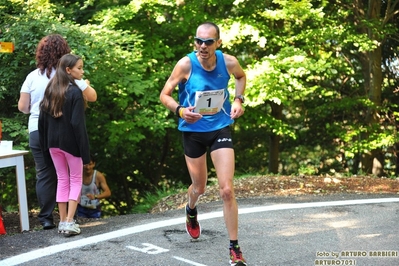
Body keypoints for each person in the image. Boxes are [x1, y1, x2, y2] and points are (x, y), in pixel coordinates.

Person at [159, 22, 247, 266]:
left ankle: (234, 248)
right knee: (199, 187)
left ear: (218, 43)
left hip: (220, 128)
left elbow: (240, 77)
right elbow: (164, 94)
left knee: (226, 189)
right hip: (193, 132)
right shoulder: (186, 64)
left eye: (209, 42)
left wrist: (239, 99)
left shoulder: (228, 62)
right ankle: (191, 209)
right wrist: (179, 110)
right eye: (199, 41)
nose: (203, 46)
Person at [18, 34, 97, 230]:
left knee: (46, 175)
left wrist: (36, 110)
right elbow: (92, 97)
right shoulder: (69, 78)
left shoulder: (32, 76)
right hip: (68, 134)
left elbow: (22, 107)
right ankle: (70, 219)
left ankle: (47, 218)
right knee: (73, 177)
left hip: (39, 130)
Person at [38, 53, 90, 236]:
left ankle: (61, 221)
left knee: (62, 179)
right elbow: (77, 124)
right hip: (71, 144)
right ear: (68, 70)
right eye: (79, 68)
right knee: (75, 179)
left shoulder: (50, 89)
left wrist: (45, 145)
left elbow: (42, 121)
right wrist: (85, 153)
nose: (82, 71)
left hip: (52, 144)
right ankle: (69, 221)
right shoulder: (75, 92)